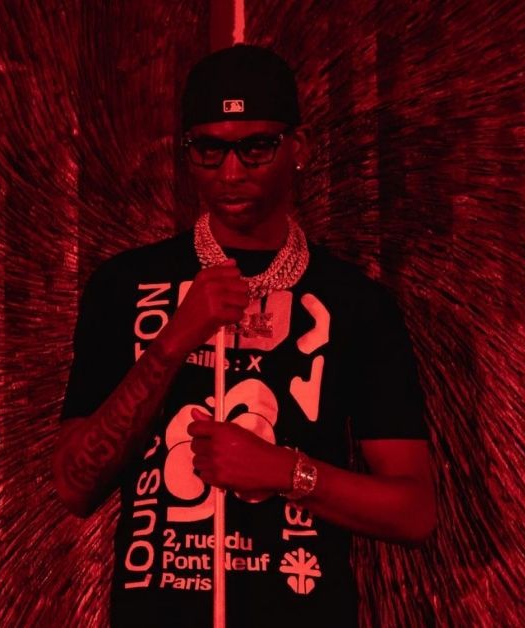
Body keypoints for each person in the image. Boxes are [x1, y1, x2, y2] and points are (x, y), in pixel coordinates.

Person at [53, 43, 436, 628]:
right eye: (209, 149)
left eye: (256, 147)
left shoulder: (357, 303)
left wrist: (284, 472)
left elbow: (413, 511)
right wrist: (175, 338)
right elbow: (74, 485)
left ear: (298, 147)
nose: (231, 173)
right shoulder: (123, 285)